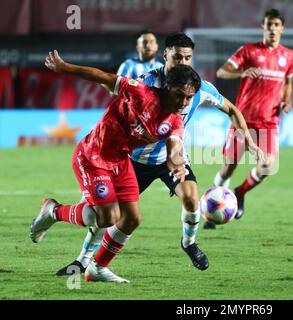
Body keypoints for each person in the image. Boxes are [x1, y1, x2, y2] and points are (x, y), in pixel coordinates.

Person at [54, 33, 264, 276]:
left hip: (171, 158)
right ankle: (83, 261)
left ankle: (189, 243)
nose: (182, 62)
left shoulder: (199, 88)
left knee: (191, 198)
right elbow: (112, 87)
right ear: (165, 56)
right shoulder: (148, 83)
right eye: (177, 57)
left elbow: (232, 110)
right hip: (134, 158)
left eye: (187, 57)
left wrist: (249, 140)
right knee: (109, 215)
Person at [30, 50, 202, 283]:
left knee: (132, 219)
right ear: (168, 88)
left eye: (189, 98)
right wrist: (64, 67)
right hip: (93, 155)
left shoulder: (174, 120)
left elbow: (174, 146)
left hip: (121, 162)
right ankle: (53, 211)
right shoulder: (140, 92)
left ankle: (98, 268)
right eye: (179, 95)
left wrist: (177, 164)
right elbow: (102, 76)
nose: (183, 103)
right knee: (108, 217)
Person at [204, 8, 293, 229]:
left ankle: (239, 193)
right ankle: (210, 209)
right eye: (269, 25)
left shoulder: (289, 56)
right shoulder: (248, 51)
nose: (272, 29)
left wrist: (286, 101)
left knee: (267, 166)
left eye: (276, 25)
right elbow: (221, 72)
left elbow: (288, 82)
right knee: (228, 168)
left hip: (269, 122)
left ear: (282, 28)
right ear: (262, 27)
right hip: (242, 120)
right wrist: (241, 73)